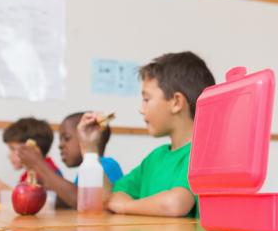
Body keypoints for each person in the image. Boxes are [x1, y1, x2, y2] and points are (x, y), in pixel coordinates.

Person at [79, 51, 215, 219]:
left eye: (146, 99)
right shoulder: (154, 158)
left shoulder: (204, 154)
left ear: (176, 103)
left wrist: (125, 205)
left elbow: (176, 204)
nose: (141, 109)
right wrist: (89, 148)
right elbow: (108, 199)